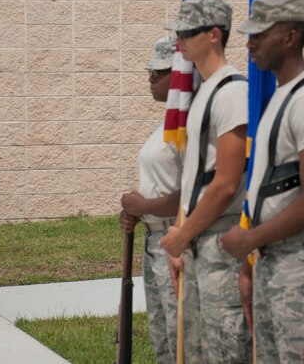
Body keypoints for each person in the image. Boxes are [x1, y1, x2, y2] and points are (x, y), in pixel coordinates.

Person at [219, 0, 304, 363]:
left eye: (259, 34)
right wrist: (252, 261)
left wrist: (251, 238)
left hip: (302, 269)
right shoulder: (281, 97)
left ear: (289, 37)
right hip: (274, 263)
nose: (249, 43)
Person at [159, 0, 250, 363]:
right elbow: (195, 177)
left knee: (226, 350)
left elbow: (227, 182)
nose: (178, 41)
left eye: (187, 31)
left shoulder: (232, 92)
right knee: (197, 353)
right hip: (198, 241)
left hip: (221, 243)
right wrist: (182, 236)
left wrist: (184, 234)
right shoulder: (203, 93)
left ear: (214, 34)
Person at [119, 34, 182, 364]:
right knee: (162, 343)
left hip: (176, 239)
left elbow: (193, 193)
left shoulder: (187, 125)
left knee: (179, 341)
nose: (151, 78)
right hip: (154, 240)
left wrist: (143, 206)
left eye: (160, 71)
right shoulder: (165, 125)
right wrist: (135, 212)